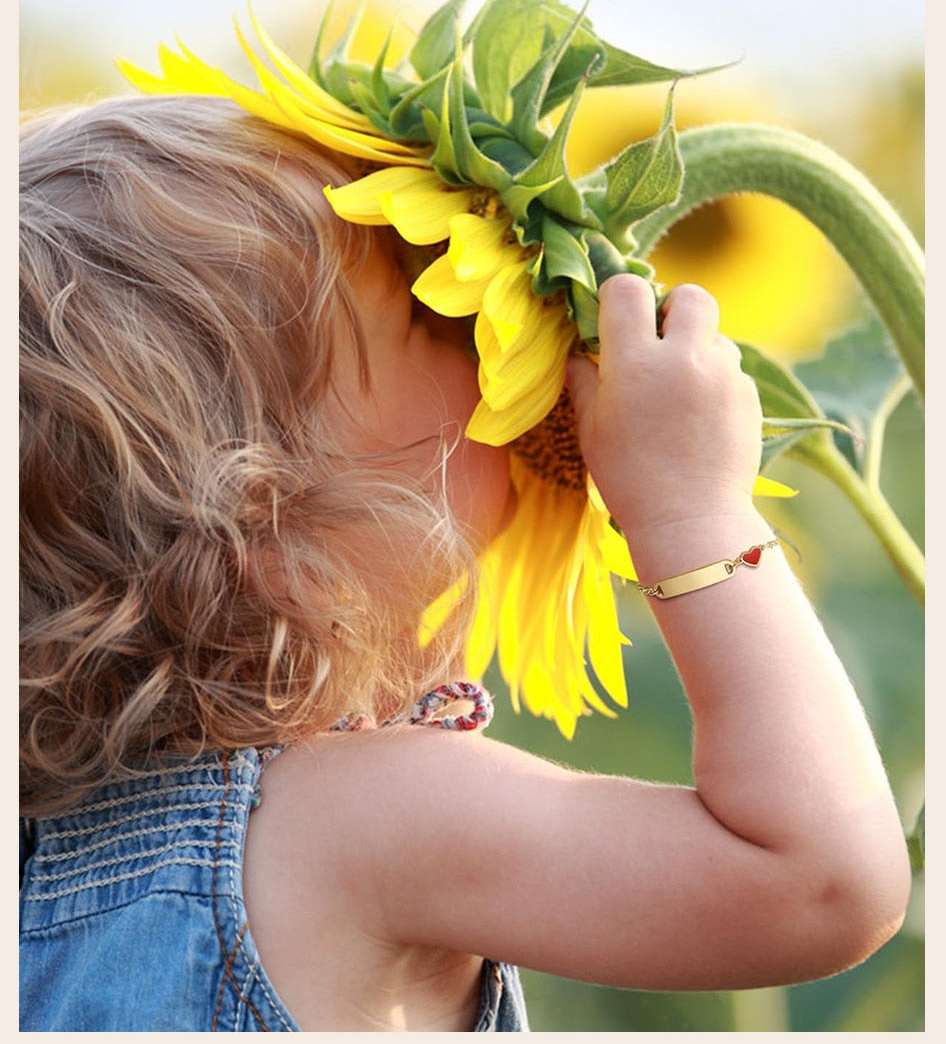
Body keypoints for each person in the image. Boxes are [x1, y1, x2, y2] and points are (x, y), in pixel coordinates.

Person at [19, 94, 911, 1032]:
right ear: (277, 539)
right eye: (432, 316)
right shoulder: (363, 819)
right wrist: (691, 507)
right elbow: (822, 885)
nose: (493, 339)